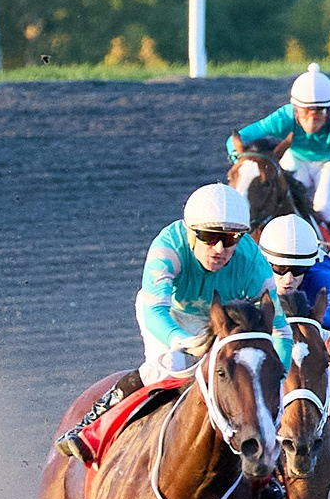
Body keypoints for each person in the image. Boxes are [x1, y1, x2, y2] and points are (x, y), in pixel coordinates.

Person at [55, 185, 291, 466]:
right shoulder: (169, 247)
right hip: (169, 317)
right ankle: (93, 427)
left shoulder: (253, 264)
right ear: (191, 232)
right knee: (167, 368)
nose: (219, 249)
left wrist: (279, 374)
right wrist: (181, 340)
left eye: (230, 239)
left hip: (220, 325)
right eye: (209, 236)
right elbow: (155, 309)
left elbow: (281, 330)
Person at [225, 64, 330, 228]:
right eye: (306, 111)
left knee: (325, 209)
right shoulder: (283, 118)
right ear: (296, 110)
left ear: (329, 112)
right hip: (296, 157)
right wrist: (239, 159)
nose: (312, 119)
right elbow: (235, 140)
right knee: (286, 196)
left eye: (318, 112)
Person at [261, 211, 330, 474]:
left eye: (298, 270)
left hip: (306, 321)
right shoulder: (250, 265)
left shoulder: (321, 268)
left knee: (315, 360)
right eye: (279, 270)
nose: (288, 278)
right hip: (265, 320)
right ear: (266, 263)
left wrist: (307, 318)